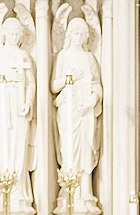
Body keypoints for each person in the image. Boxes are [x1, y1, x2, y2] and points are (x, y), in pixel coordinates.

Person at [51, 17, 102, 204]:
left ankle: (85, 191)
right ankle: (68, 190)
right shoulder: (63, 56)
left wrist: (91, 101)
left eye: (82, 33)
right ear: (69, 34)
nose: (79, 37)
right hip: (68, 108)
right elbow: (54, 85)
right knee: (69, 148)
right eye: (76, 33)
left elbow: (97, 86)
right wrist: (68, 78)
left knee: (86, 148)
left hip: (85, 110)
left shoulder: (89, 58)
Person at [0, 17, 36, 208]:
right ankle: (2, 192)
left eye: (17, 34)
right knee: (3, 145)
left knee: (19, 145)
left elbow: (31, 82)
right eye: (11, 33)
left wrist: (28, 101)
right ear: (4, 34)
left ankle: (18, 190)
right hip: (3, 103)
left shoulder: (24, 56)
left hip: (19, 103)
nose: (14, 37)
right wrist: (3, 86)